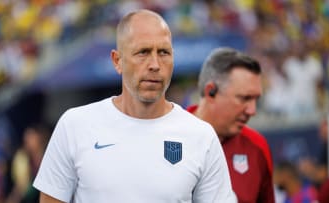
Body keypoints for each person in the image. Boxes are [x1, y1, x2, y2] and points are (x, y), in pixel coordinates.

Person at [33, 9, 236, 203]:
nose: (155, 64)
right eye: (143, 52)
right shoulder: (75, 126)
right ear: (117, 60)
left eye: (164, 52)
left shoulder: (201, 136)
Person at [187, 47, 275, 203]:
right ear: (211, 92)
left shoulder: (257, 147)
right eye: (244, 98)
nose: (252, 110)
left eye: (256, 99)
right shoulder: (171, 140)